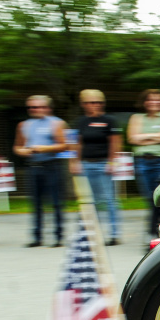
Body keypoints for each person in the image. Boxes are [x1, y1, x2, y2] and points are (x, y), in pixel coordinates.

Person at [14, 95, 67, 247]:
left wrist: (45, 148)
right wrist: (22, 151)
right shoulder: (24, 124)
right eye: (31, 107)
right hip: (33, 166)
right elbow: (17, 146)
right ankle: (37, 237)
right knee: (35, 203)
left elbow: (65, 145)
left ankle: (58, 236)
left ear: (48, 108)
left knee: (56, 202)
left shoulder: (57, 123)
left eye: (38, 106)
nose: (34, 110)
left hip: (52, 165)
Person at [70, 89, 122, 245]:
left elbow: (115, 142)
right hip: (86, 164)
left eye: (97, 102)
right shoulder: (80, 122)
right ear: (83, 104)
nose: (94, 105)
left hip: (103, 164)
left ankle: (114, 233)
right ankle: (89, 233)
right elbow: (76, 143)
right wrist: (74, 162)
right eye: (90, 102)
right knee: (87, 200)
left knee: (108, 200)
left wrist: (112, 162)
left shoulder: (109, 121)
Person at [128, 89, 160, 238]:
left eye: (158, 100)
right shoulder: (136, 118)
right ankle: (154, 232)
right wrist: (159, 137)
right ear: (144, 102)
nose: (155, 103)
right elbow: (133, 138)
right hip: (143, 162)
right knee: (150, 199)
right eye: (151, 100)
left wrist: (144, 137)